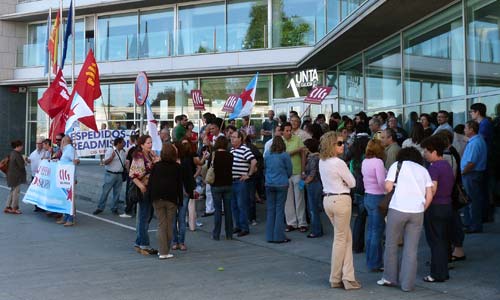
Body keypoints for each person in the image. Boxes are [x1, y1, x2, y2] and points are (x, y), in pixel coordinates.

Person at [377, 147, 433, 292]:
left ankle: (389, 277)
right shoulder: (423, 170)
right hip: (417, 212)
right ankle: (407, 284)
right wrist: (422, 208)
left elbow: (388, 187)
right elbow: (430, 195)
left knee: (391, 244)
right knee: (411, 249)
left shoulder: (397, 165)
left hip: (397, 209)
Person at [318, 131, 360, 290]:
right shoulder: (338, 163)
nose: (343, 146)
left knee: (345, 239)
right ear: (332, 145)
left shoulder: (322, 161)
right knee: (341, 240)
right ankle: (336, 278)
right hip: (341, 200)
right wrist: (344, 182)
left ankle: (348, 277)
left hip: (328, 200)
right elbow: (352, 182)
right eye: (340, 143)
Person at [420, 135, 454, 283]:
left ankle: (437, 274)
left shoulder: (434, 168)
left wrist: (424, 206)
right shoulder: (446, 164)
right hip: (447, 205)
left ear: (434, 152)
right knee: (443, 240)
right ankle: (443, 271)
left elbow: (432, 190)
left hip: (435, 207)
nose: (424, 154)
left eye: (426, 151)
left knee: (436, 241)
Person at [148, 143, 183, 260]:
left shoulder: (156, 166)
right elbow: (179, 185)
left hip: (157, 197)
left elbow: (151, 182)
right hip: (171, 198)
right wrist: (180, 200)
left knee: (161, 224)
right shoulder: (177, 167)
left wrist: (150, 197)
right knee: (169, 224)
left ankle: (163, 250)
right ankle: (165, 250)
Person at [129, 135, 159, 255]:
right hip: (144, 188)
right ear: (141, 145)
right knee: (144, 216)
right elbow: (133, 174)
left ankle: (138, 242)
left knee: (147, 215)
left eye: (151, 142)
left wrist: (156, 159)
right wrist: (141, 186)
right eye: (147, 143)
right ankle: (144, 244)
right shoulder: (139, 156)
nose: (150, 145)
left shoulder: (150, 154)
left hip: (151, 187)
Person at [172, 138, 203, 251]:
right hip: (173, 193)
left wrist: (190, 190)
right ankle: (175, 241)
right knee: (173, 219)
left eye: (175, 147)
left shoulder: (185, 161)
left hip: (184, 192)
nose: (174, 150)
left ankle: (181, 241)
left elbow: (189, 177)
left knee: (181, 217)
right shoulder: (170, 162)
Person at [361, 139, 386, 272]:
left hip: (368, 196)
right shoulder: (378, 162)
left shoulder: (366, 161)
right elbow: (381, 181)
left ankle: (370, 260)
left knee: (371, 230)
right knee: (377, 232)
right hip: (377, 197)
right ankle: (375, 263)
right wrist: (387, 191)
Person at [264, 136, 292, 243]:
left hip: (269, 183)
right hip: (281, 183)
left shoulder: (267, 154)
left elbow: (265, 168)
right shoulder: (285, 155)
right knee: (279, 210)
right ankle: (279, 236)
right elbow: (289, 170)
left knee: (271, 210)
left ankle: (269, 236)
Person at [461, 121, 487, 233]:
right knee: (471, 200)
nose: (464, 130)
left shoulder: (475, 143)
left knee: (473, 201)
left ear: (471, 129)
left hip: (471, 174)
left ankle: (475, 226)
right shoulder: (476, 141)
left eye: (466, 128)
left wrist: (462, 172)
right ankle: (471, 223)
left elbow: (471, 163)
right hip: (472, 174)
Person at [230, 130, 257, 237]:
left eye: (234, 137)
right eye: (231, 137)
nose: (232, 139)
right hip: (232, 181)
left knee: (242, 205)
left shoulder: (245, 149)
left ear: (240, 139)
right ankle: (238, 226)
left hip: (240, 181)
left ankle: (244, 228)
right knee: (234, 205)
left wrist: (248, 174)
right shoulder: (231, 150)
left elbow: (254, 161)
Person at [282, 122, 307, 232]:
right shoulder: (280, 141)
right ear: (282, 131)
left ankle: (302, 222)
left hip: (297, 172)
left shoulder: (297, 139)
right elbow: (284, 154)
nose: (289, 132)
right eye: (286, 130)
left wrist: (303, 170)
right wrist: (297, 150)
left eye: (290, 130)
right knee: (288, 200)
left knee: (299, 198)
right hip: (285, 174)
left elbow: (303, 154)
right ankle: (291, 223)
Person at [93, 137, 127, 215]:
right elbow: (105, 162)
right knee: (105, 192)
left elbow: (124, 163)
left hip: (119, 175)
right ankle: (100, 207)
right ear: (118, 143)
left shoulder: (123, 152)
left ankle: (114, 208)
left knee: (117, 193)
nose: (124, 144)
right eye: (123, 142)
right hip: (110, 174)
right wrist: (111, 157)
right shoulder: (110, 150)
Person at [211, 136, 234, 240]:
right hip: (228, 183)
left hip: (216, 184)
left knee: (218, 210)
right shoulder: (230, 155)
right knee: (228, 210)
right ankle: (229, 234)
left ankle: (216, 234)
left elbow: (209, 168)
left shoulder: (214, 155)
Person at [57, 136, 79, 226]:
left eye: (61, 140)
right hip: (65, 178)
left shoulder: (70, 149)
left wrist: (75, 162)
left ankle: (70, 218)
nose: (60, 142)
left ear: (65, 141)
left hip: (69, 178)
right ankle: (65, 217)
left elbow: (76, 160)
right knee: (65, 198)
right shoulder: (65, 150)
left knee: (70, 198)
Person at [303, 138, 323, 238]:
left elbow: (312, 173)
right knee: (313, 208)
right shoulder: (313, 157)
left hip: (313, 184)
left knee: (312, 209)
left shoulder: (313, 158)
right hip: (315, 184)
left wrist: (304, 183)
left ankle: (316, 231)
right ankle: (318, 229)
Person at [4, 140, 26, 215]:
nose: (22, 147)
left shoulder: (12, 153)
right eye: (21, 146)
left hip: (11, 175)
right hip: (16, 176)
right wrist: (24, 160)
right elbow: (21, 166)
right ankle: (14, 208)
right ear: (18, 146)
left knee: (12, 191)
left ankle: (8, 206)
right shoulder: (17, 154)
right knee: (16, 192)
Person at [121, 134, 138, 218]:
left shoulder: (132, 150)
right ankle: (135, 209)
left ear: (133, 140)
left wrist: (128, 172)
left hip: (132, 174)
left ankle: (128, 210)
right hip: (141, 174)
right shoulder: (142, 150)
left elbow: (127, 162)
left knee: (130, 192)